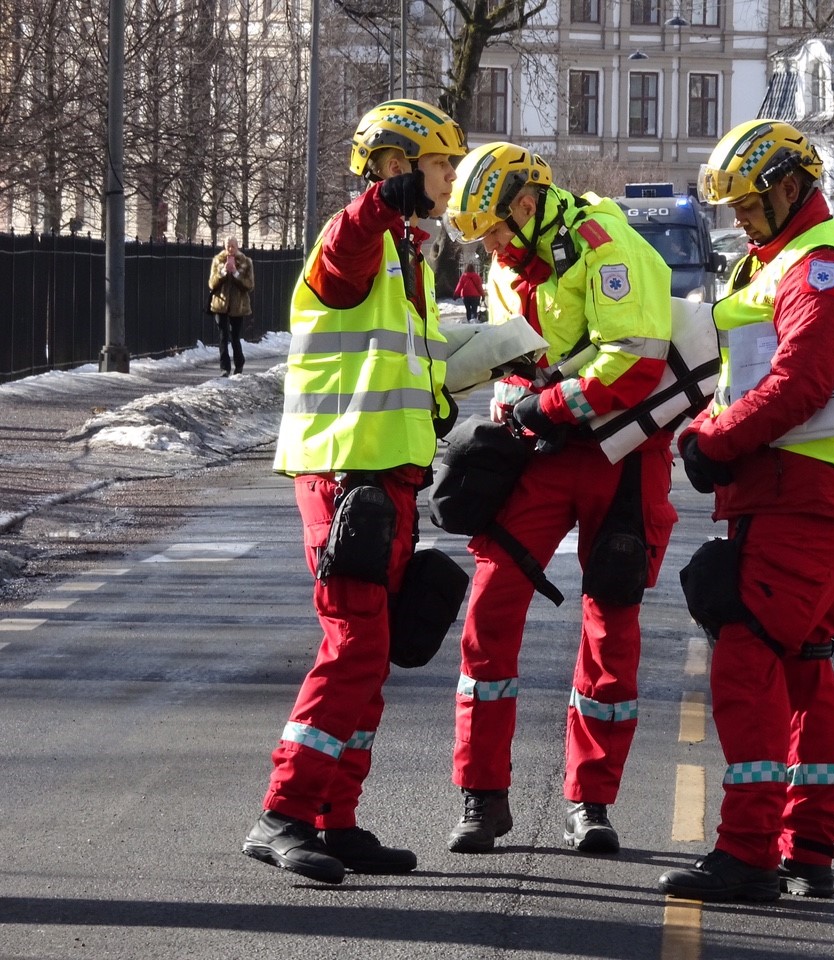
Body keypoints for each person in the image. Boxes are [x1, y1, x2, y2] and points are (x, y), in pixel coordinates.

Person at [655, 119, 834, 902]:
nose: (740, 220)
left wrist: (714, 440)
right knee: (804, 666)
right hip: (799, 490)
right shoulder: (784, 260)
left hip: (805, 492)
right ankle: (809, 844)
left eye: (749, 205)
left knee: (745, 658)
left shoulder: (822, 267)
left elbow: (800, 382)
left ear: (792, 187)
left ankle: (748, 850)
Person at [242, 99, 466, 885]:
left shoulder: (410, 253)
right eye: (439, 164)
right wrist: (380, 202)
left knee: (372, 654)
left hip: (388, 477)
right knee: (354, 646)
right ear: (399, 167)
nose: (450, 177)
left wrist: (439, 395)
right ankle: (284, 814)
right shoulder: (362, 236)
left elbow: (390, 362)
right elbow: (343, 251)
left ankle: (336, 818)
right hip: (345, 478)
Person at [442, 141, 678, 856]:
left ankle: (591, 801)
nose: (487, 246)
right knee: (490, 604)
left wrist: (548, 405)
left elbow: (635, 360)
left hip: (618, 455)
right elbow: (514, 353)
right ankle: (482, 795)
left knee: (611, 624)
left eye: (491, 229)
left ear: (525, 203)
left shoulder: (606, 247)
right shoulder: (506, 262)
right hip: (540, 454)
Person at [208, 237, 254, 376]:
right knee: (223, 336)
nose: (230, 249)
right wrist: (222, 272)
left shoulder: (246, 262)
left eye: (233, 246)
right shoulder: (218, 260)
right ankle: (225, 368)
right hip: (220, 305)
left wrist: (235, 273)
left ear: (237, 246)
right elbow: (211, 284)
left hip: (237, 306)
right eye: (228, 246)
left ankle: (239, 363)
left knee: (235, 336)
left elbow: (249, 285)